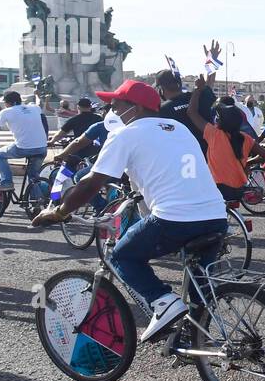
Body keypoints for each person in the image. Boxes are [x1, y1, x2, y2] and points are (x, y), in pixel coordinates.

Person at [32, 80, 230, 343]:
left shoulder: (126, 134)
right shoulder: (179, 128)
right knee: (200, 285)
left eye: (115, 106)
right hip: (216, 215)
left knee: (121, 256)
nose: (111, 111)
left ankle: (162, 301)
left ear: (134, 108)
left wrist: (59, 211)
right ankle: (200, 340)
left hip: (175, 219)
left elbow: (92, 182)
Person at [186, 78, 265, 203]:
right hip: (239, 189)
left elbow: (191, 112)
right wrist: (248, 163)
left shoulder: (214, 134)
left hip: (218, 188)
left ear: (218, 119)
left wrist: (197, 89)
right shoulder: (245, 138)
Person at [0, 90, 49, 195]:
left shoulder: (6, 112)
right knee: (33, 177)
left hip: (23, 148)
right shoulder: (34, 108)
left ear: (7, 103)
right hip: (42, 148)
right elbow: (40, 104)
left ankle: (6, 182)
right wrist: (37, 95)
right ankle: (36, 203)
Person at [156, 68, 214, 147]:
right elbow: (209, 85)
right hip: (211, 155)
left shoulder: (162, 111)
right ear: (180, 83)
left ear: (161, 89)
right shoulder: (200, 96)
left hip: (185, 157)